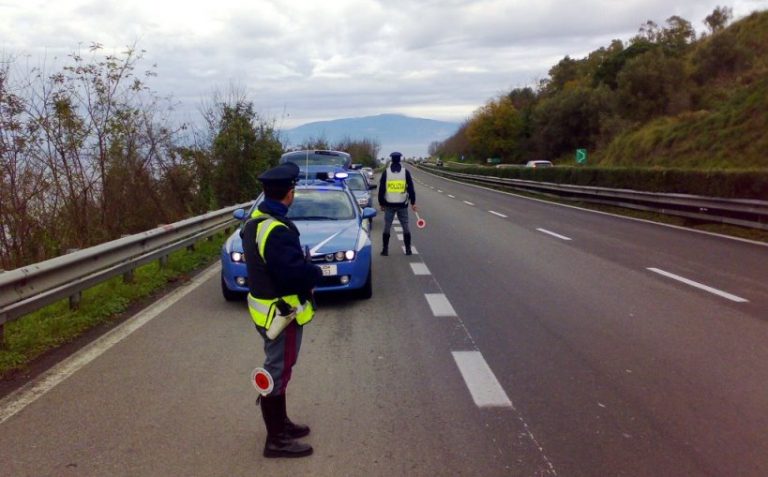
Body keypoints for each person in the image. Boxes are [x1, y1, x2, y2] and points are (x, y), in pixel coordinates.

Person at [241, 162, 322, 458]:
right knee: (277, 372)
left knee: (281, 370)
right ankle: (276, 440)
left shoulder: (254, 223)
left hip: (265, 310)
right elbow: (290, 274)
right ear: (290, 193)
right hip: (282, 313)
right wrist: (314, 273)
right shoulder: (277, 230)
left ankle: (283, 425)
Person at [378, 151, 417, 256]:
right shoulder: (405, 172)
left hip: (389, 204)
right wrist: (413, 202)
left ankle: (385, 250)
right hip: (402, 204)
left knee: (387, 227)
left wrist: (381, 203)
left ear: (391, 160)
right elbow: (411, 189)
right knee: (405, 227)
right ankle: (408, 250)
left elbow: (381, 189)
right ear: (400, 159)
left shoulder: (386, 172)